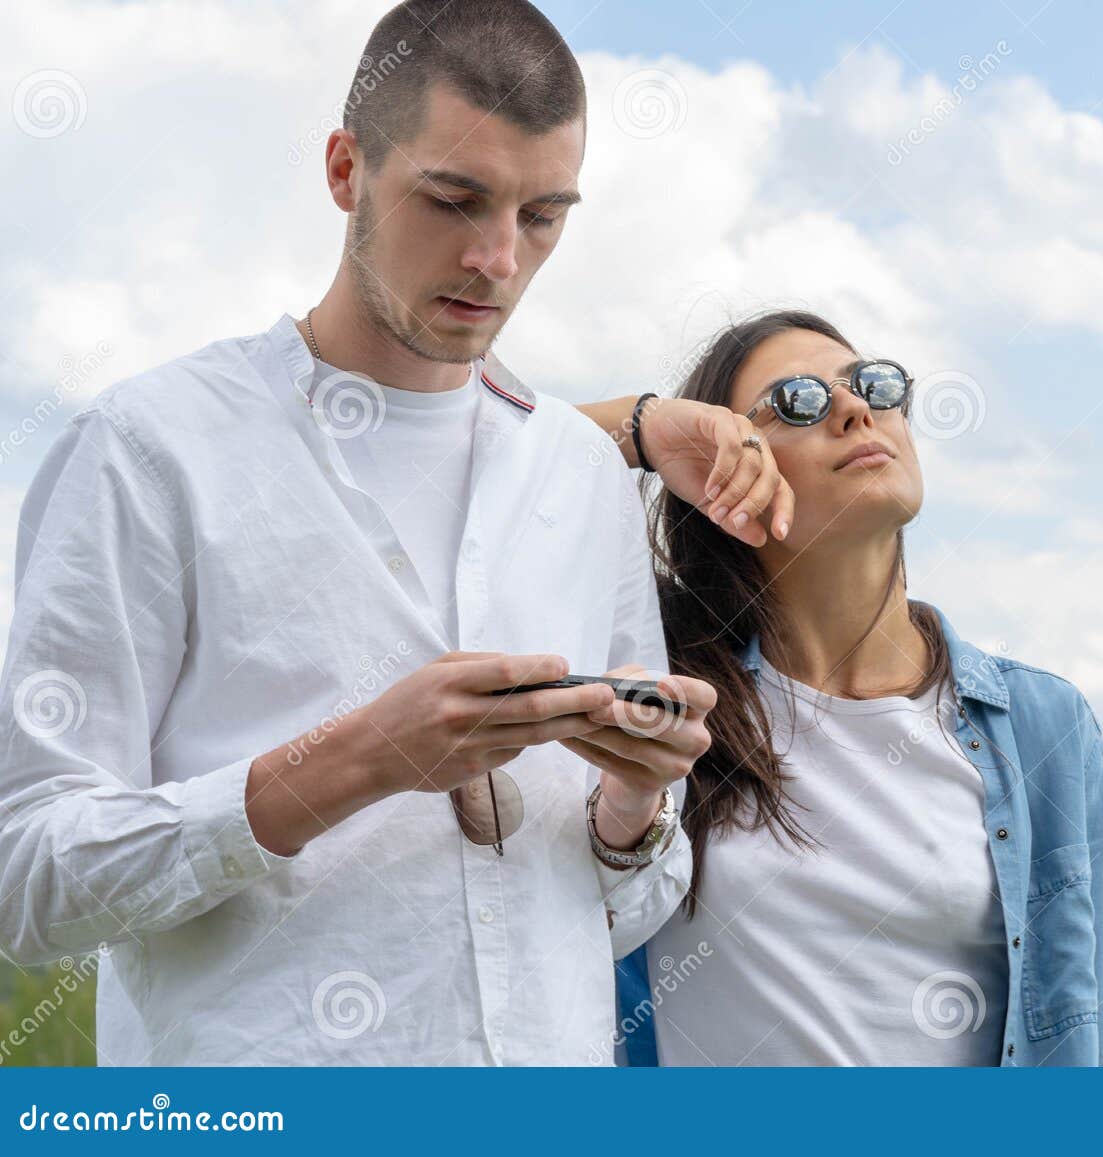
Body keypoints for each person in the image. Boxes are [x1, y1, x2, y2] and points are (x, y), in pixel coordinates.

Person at [0, 0, 783, 1066]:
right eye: (454, 199)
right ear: (344, 169)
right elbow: (27, 879)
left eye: (543, 216)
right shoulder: (146, 450)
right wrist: (358, 759)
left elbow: (622, 909)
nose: (497, 259)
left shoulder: (577, 472)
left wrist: (637, 797)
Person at [614, 310, 1103, 1066]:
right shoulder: (669, 697)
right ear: (720, 464)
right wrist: (646, 427)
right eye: (799, 399)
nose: (857, 408)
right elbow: (494, 470)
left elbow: (1101, 1038)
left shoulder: (1042, 725)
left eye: (874, 384)